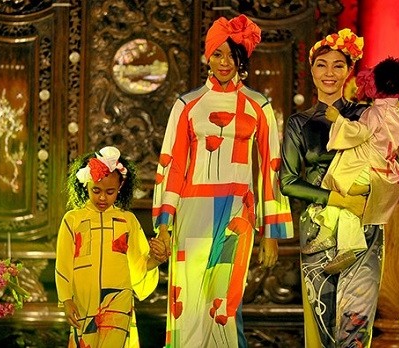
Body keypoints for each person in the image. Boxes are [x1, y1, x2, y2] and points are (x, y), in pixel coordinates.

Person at [151, 14, 294, 348]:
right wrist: (164, 222)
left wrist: (270, 233)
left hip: (236, 214)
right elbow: (172, 164)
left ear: (242, 59)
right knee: (187, 300)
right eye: (218, 54)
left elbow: (270, 168)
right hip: (192, 210)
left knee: (225, 303)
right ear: (208, 56)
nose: (224, 62)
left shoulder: (259, 105)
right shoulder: (187, 105)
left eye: (232, 55)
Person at [280, 28, 399, 347]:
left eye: (338, 65)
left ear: (350, 70)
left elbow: (388, 161)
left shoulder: (367, 114)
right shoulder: (299, 123)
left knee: (356, 324)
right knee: (322, 317)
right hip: (319, 226)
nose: (329, 73)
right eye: (321, 65)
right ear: (311, 71)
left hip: (365, 224)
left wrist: (366, 196)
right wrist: (336, 198)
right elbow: (288, 182)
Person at [301, 56, 399, 275]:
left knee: (337, 187)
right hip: (385, 171)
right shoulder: (397, 114)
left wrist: (338, 120)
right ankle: (336, 241)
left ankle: (339, 238)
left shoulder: (375, 113)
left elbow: (358, 133)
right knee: (346, 204)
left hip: (366, 169)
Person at [55, 146, 167, 348]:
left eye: (110, 192)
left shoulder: (128, 221)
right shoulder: (72, 220)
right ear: (86, 185)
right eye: (96, 190)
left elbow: (139, 265)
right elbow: (63, 264)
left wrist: (157, 259)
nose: (102, 198)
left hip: (118, 300)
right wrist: (66, 299)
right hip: (82, 300)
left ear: (120, 187)